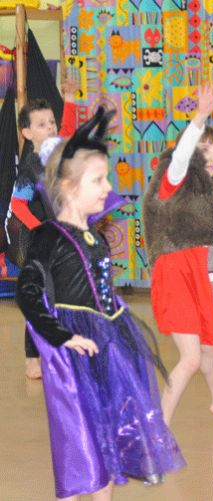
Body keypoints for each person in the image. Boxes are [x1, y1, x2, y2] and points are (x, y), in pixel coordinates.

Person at [15, 108, 185, 501]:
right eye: (98, 180)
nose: (108, 187)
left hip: (108, 344)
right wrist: (60, 335)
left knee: (109, 439)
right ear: (69, 187)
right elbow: (28, 291)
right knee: (81, 439)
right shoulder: (49, 236)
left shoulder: (96, 237)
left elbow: (100, 291)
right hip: (75, 354)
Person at [142, 82, 213, 426]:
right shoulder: (174, 179)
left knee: (210, 345)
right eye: (202, 151)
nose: (211, 157)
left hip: (197, 273)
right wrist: (200, 117)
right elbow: (180, 155)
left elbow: (205, 242)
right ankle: (159, 427)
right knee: (190, 359)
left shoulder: (210, 194)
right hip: (174, 273)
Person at [9, 82, 78, 379]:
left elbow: (69, 131)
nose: (50, 127)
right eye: (42, 124)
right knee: (39, 298)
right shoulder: (30, 168)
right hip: (39, 242)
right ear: (27, 133)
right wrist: (42, 230)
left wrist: (70, 99)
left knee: (62, 295)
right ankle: (31, 358)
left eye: (51, 122)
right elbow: (18, 205)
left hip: (61, 239)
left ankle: (62, 349)